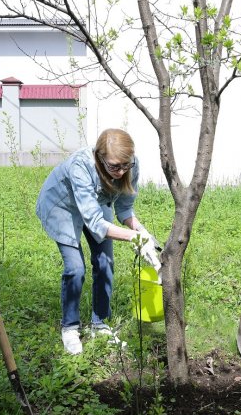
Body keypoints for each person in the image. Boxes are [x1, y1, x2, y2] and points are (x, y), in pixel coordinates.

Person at [36, 128, 162, 355]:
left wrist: (145, 234)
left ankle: (100, 323)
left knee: (105, 263)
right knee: (75, 268)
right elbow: (95, 222)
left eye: (126, 165)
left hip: (95, 206)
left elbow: (124, 209)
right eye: (114, 166)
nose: (121, 171)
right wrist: (135, 237)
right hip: (63, 207)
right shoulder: (80, 166)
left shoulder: (129, 165)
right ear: (99, 157)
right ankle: (70, 327)